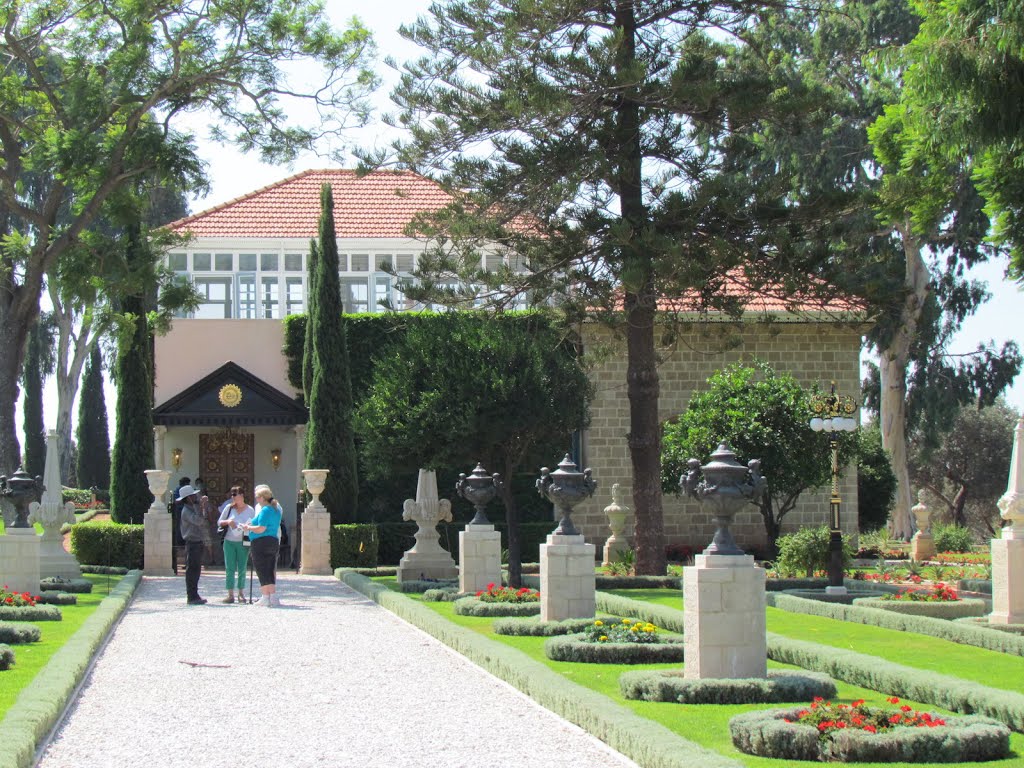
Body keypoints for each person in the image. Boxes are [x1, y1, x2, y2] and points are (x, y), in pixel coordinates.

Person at [241, 484, 281, 607]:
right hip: (273, 541)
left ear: (263, 498)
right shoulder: (276, 509)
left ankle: (265, 596)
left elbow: (261, 529)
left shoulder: (265, 510)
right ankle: (272, 596)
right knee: (270, 569)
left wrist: (247, 527)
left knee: (262, 569)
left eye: (258, 497)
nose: (256, 500)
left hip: (261, 542)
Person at [217, 485, 255, 603]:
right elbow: (219, 522)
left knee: (242, 567)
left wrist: (246, 527)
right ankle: (230, 594)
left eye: (235, 494)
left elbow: (253, 525)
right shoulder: (229, 508)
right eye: (232, 494)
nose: (232, 497)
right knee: (230, 568)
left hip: (243, 541)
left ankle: (241, 593)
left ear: (242, 495)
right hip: (229, 541)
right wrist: (228, 521)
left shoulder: (250, 510)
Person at [178, 484, 212, 605]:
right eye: (193, 495)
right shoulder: (186, 511)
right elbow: (199, 521)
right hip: (192, 542)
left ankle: (194, 594)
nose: (195, 496)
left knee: (196, 570)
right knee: (192, 570)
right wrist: (201, 506)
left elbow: (206, 516)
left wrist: (203, 506)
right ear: (188, 498)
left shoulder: (193, 508)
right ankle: (191, 596)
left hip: (198, 542)